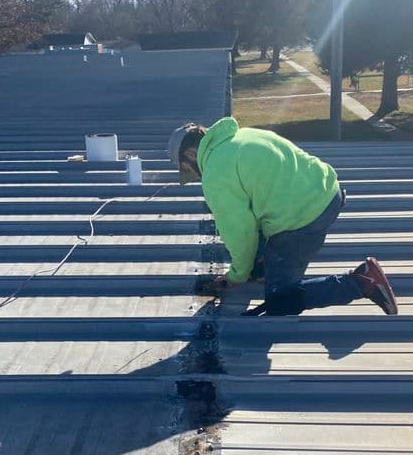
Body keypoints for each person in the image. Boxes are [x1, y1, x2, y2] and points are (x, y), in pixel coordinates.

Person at [168, 118, 398, 317]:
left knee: (280, 301)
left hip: (302, 219)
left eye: (188, 170)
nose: (195, 176)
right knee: (252, 217)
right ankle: (260, 268)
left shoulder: (215, 172)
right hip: (328, 194)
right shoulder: (243, 135)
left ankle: (361, 283)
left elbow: (240, 233)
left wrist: (237, 276)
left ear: (190, 154)